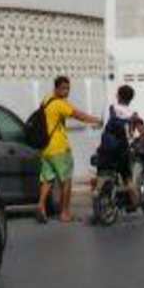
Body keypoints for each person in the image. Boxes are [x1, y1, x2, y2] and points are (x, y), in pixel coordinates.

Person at [35, 74, 101, 224]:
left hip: (45, 149)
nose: (66, 91)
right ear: (57, 88)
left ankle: (41, 205)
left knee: (47, 180)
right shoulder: (60, 104)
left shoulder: (46, 100)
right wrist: (96, 120)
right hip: (60, 148)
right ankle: (64, 213)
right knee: (66, 181)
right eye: (64, 88)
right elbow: (78, 115)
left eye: (68, 88)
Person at [94, 84, 144, 210]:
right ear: (131, 99)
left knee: (102, 172)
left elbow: (101, 124)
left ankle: (98, 193)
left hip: (105, 147)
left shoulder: (110, 108)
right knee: (127, 177)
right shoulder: (132, 114)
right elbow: (142, 130)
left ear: (118, 96)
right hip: (121, 149)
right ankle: (135, 202)